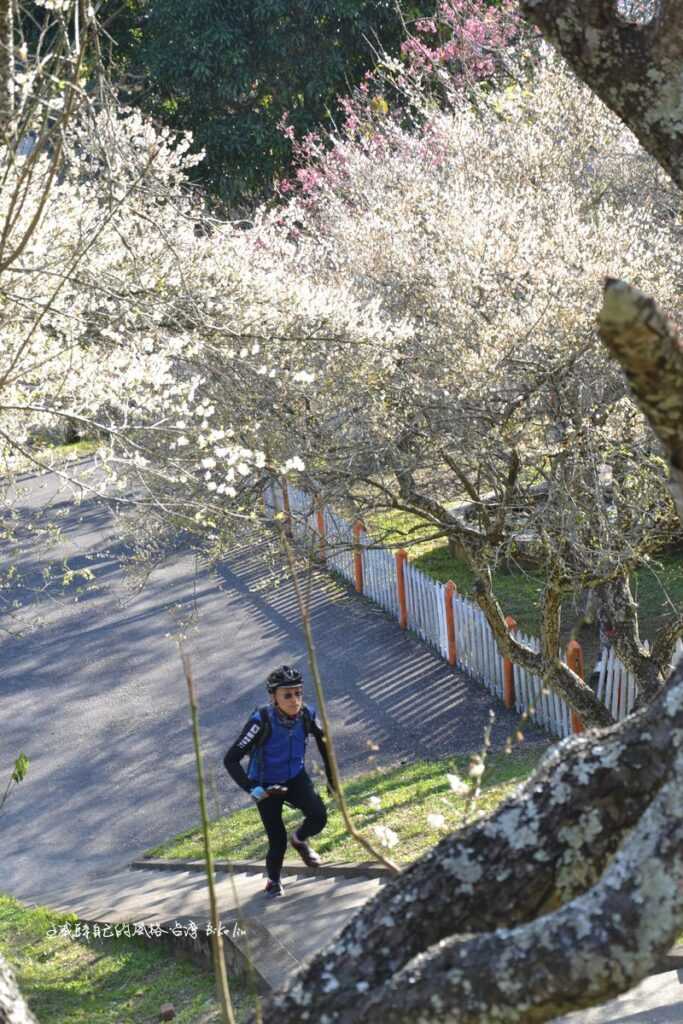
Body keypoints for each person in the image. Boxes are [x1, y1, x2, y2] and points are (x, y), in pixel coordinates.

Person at [224, 665, 334, 897]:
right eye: (287, 695)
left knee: (319, 816)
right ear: (273, 697)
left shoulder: (306, 714)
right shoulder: (260, 720)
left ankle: (300, 840)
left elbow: (324, 741)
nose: (295, 700)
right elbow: (231, 759)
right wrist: (251, 788)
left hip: (295, 777)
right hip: (265, 785)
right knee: (277, 839)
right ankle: (273, 881)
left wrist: (332, 778)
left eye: (298, 693)